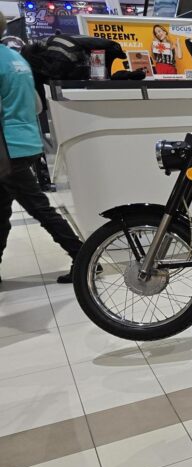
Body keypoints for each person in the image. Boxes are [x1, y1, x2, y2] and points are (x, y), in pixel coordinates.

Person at [0, 17, 83, 284]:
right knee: (2, 210)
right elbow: (36, 105)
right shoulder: (15, 59)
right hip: (24, 140)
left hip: (6, 148)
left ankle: (83, 259)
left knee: (39, 207)